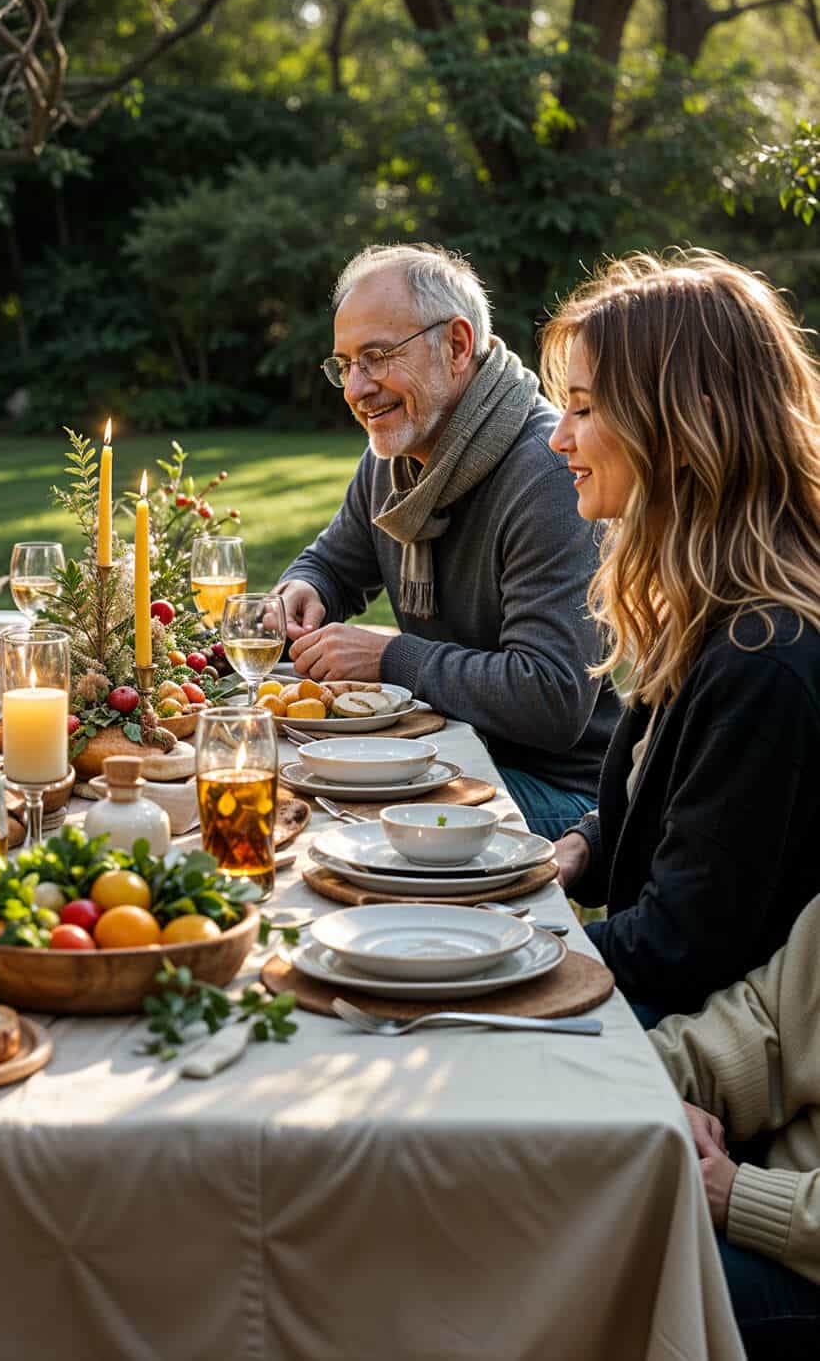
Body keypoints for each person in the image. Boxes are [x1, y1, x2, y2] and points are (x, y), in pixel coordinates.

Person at [543, 250, 820, 1020]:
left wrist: (494, 957)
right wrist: (585, 847)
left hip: (692, 1059)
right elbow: (688, 811)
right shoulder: (715, 612)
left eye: (585, 408)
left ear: (683, 422)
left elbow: (680, 948)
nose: (559, 438)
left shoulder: (768, 661)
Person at [274, 243, 618, 839]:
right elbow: (334, 562)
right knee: (282, 783)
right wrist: (305, 588)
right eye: (345, 364)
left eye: (377, 357)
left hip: (560, 790)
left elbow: (553, 697)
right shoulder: (397, 453)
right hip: (451, 749)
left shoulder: (547, 472)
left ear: (457, 345)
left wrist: (389, 658)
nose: (357, 388)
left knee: (349, 826)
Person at [649, 892, 820, 1357]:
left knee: (614, 1270)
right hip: (762, 1190)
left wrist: (740, 1195)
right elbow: (764, 1022)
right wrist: (647, 1084)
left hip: (800, 1255)